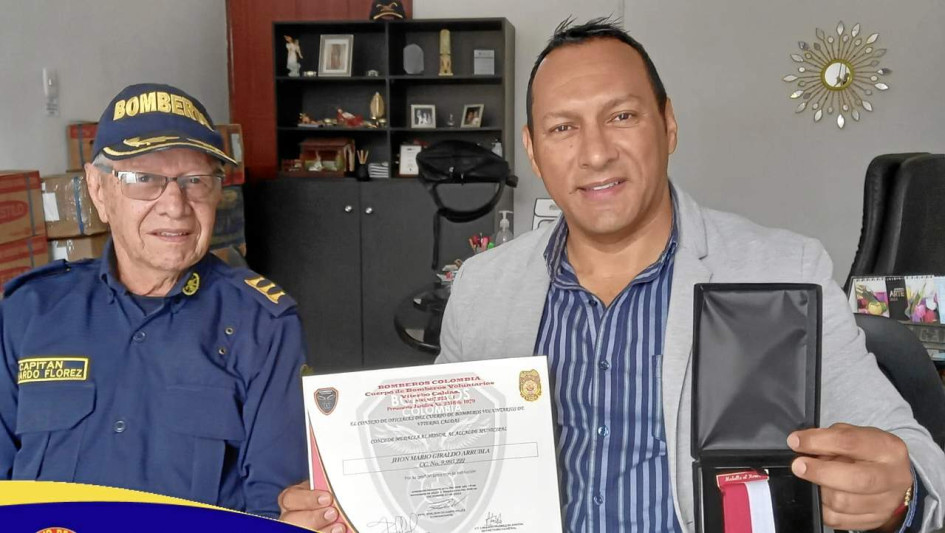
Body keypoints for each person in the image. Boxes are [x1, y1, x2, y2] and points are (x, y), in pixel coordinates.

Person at [432, 18, 945, 532]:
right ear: (533, 150)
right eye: (563, 128)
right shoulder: (481, 290)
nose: (595, 153)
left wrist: (899, 498)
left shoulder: (786, 271)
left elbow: (921, 467)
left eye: (622, 116)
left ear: (668, 125)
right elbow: (441, 466)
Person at [0, 83, 307, 518]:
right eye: (144, 179)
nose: (175, 206)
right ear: (98, 190)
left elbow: (274, 506)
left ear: (218, 193)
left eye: (195, 181)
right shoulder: (27, 312)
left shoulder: (263, 325)